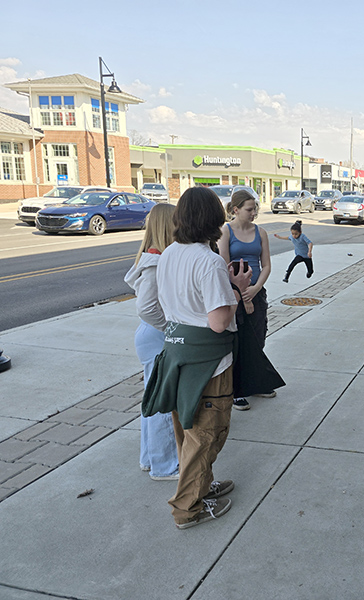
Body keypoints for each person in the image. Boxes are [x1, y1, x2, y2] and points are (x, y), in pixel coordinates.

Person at [142, 186, 252, 529]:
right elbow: (219, 323)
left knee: (186, 428)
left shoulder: (170, 253)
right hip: (209, 363)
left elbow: (160, 306)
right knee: (207, 434)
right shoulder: (208, 262)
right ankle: (188, 507)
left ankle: (201, 485)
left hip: (176, 355)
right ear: (213, 220)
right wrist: (236, 288)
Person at [124, 203, 180, 481]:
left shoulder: (152, 256)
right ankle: (166, 466)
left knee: (153, 401)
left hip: (151, 336)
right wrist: (170, 328)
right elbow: (146, 307)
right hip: (156, 336)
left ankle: (150, 459)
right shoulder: (155, 260)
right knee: (163, 405)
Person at [219, 189, 275, 411]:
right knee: (239, 341)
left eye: (255, 209)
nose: (254, 213)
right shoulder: (226, 232)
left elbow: (266, 264)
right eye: (249, 209)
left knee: (258, 335)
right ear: (236, 210)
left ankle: (255, 382)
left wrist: (256, 288)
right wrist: (243, 293)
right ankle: (237, 390)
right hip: (234, 291)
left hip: (256, 290)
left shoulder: (260, 232)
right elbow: (224, 265)